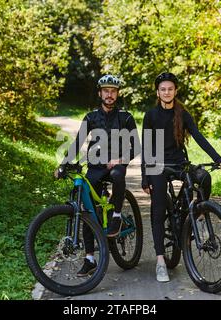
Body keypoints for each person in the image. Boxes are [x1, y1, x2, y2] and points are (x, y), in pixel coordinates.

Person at [141, 72, 221, 282]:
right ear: (158, 92)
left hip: (180, 163)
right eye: (163, 89)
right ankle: (161, 260)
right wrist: (145, 176)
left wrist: (217, 158)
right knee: (159, 208)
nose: (167, 92)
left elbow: (198, 137)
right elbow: (147, 148)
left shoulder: (183, 114)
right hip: (158, 166)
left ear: (175, 91)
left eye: (170, 89)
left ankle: (193, 215)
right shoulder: (151, 115)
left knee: (204, 177)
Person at [58, 74, 140, 277]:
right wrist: (63, 165)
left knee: (118, 175)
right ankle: (90, 258)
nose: (109, 95)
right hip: (95, 167)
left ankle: (117, 215)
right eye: (106, 91)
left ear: (117, 94)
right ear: (100, 93)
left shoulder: (126, 117)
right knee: (88, 209)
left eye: (113, 91)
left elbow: (137, 147)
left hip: (117, 164)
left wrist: (120, 159)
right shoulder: (90, 117)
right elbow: (77, 143)